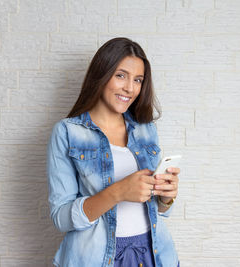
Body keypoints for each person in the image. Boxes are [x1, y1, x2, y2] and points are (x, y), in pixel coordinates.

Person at [46, 37, 180, 267]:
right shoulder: (67, 132)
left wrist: (167, 198)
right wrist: (117, 192)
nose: (130, 88)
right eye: (121, 75)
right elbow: (61, 218)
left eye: (138, 80)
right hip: (96, 258)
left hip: (154, 255)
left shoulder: (146, 129)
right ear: (101, 74)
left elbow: (157, 209)